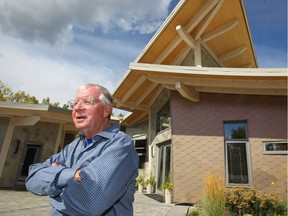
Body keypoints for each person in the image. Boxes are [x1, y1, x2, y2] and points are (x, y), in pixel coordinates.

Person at [25, 83, 139, 216]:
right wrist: (72, 175)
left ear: (106, 110)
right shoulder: (74, 146)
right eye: (75, 103)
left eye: (87, 102)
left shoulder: (120, 144)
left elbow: (89, 203)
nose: (78, 108)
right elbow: (32, 178)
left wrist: (53, 187)